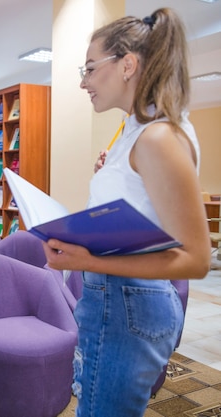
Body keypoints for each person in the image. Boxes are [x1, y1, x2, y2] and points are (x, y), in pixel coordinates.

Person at [44, 9, 210, 416]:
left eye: (89, 68)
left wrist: (84, 258)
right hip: (118, 299)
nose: (82, 82)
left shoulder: (158, 137)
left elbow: (196, 258)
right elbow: (145, 211)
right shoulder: (139, 129)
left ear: (128, 65)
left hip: (126, 302)